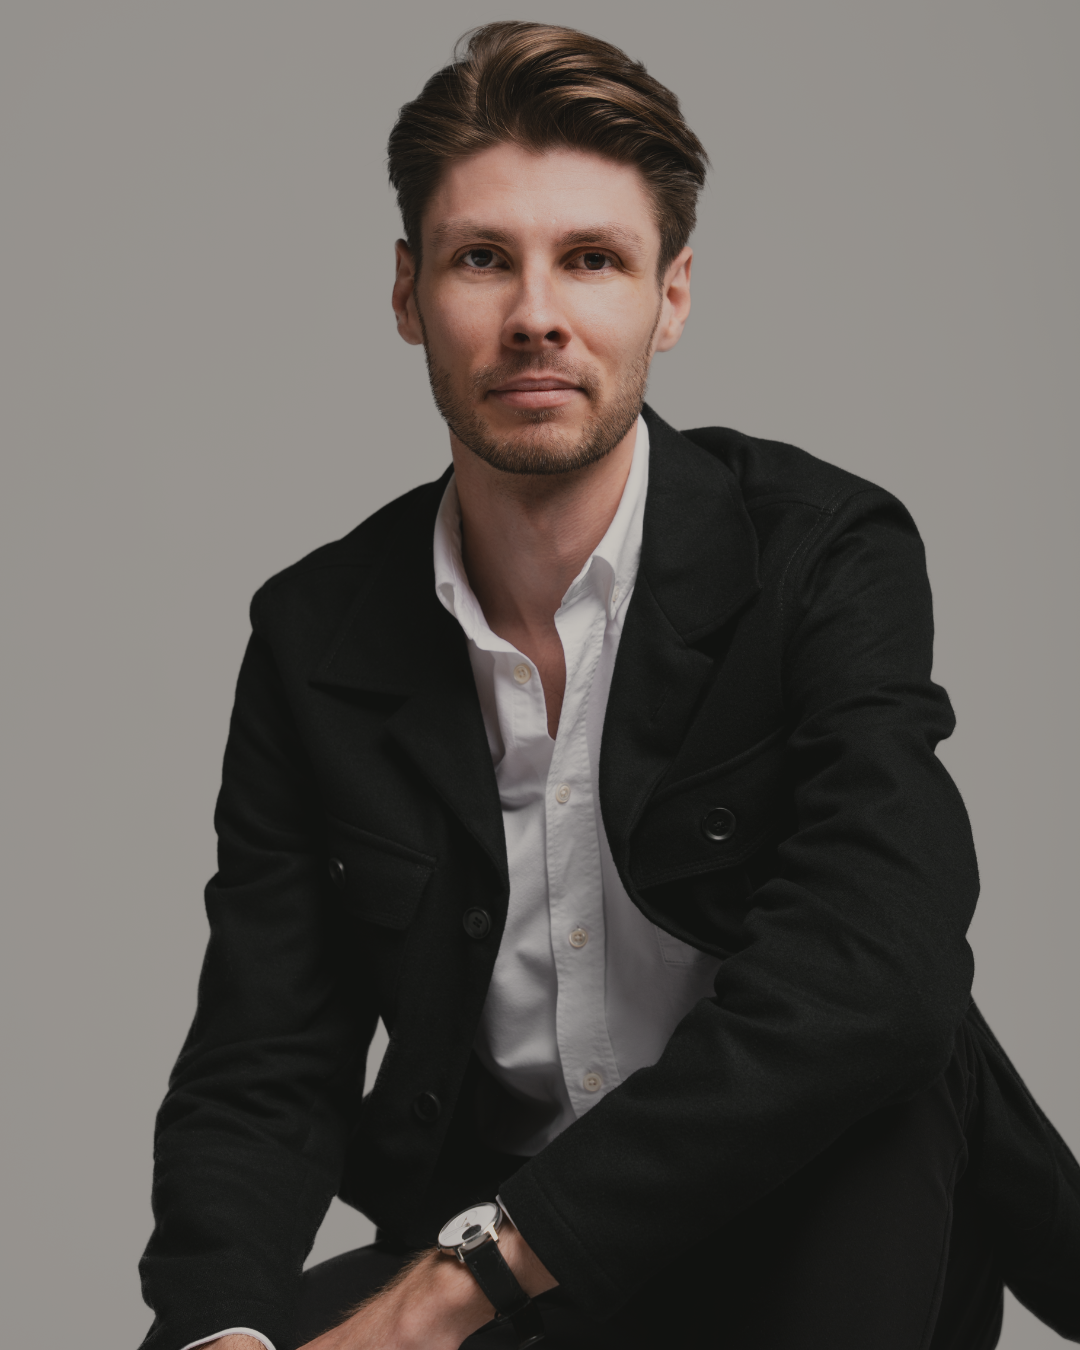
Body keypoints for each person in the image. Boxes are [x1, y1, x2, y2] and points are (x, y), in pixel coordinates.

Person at [137, 22, 1080, 1350]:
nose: (537, 314)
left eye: (591, 259)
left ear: (671, 296)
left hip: (813, 1199)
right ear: (408, 294)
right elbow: (262, 1055)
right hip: (513, 1246)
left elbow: (878, 975)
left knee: (875, 1093)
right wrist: (218, 1328)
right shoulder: (315, 632)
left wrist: (461, 1283)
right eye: (483, 259)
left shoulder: (821, 553)